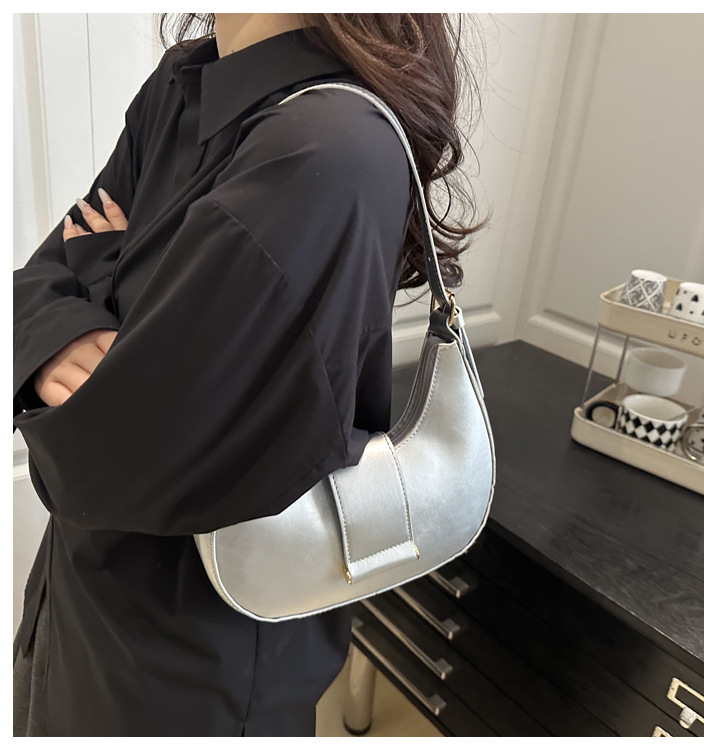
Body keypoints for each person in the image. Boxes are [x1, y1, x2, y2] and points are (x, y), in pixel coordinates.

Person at [13, 13, 482, 736]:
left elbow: (105, 457)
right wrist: (65, 325)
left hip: (188, 668)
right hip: (81, 599)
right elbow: (35, 281)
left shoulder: (328, 149)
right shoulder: (184, 82)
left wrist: (96, 266)